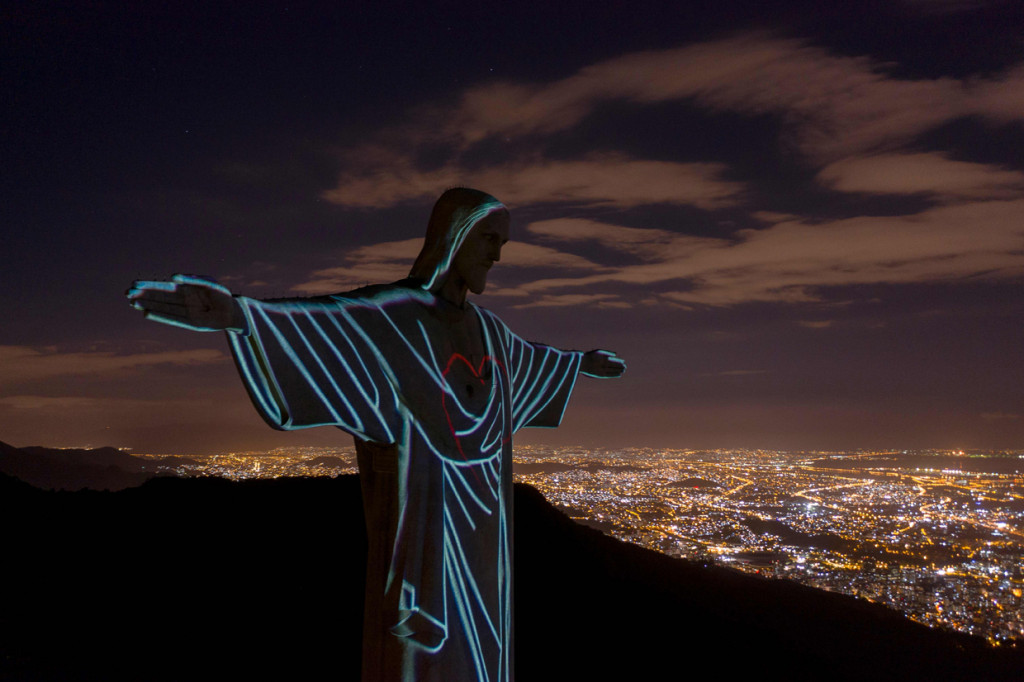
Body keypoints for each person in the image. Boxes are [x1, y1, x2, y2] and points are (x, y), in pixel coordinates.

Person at [127, 187, 625, 682]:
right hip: (427, 528)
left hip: (485, 535)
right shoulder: (396, 318)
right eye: (489, 239)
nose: (497, 254)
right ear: (454, 237)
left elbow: (530, 362)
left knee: (482, 657)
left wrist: (578, 364)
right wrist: (240, 317)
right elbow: (332, 326)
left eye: (503, 243)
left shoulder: (491, 332)